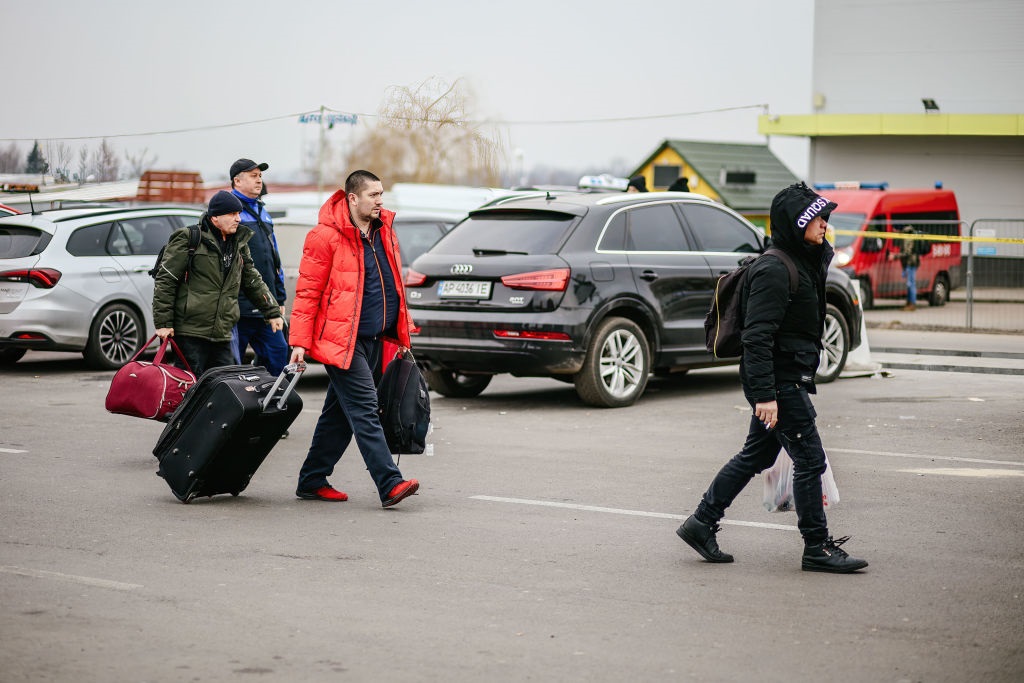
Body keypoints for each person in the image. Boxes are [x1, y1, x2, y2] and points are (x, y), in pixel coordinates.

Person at [676, 182, 868, 574]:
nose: (825, 223)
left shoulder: (802, 259)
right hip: (778, 382)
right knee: (810, 459)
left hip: (786, 376)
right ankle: (816, 547)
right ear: (797, 223)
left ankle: (701, 522)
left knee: (757, 454)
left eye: (826, 216)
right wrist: (766, 395)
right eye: (817, 217)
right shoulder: (774, 270)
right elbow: (757, 337)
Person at [288, 170, 420, 508]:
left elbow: (392, 285)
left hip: (375, 338)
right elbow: (307, 293)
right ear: (352, 198)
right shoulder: (325, 236)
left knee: (338, 415)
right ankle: (389, 483)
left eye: (381, 194)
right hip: (340, 341)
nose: (380, 201)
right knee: (364, 409)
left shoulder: (383, 230)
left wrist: (402, 331)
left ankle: (312, 479)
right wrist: (299, 342)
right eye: (373, 195)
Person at [153, 191, 284, 377]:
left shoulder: (239, 242)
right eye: (232, 214)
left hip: (222, 333)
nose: (238, 219)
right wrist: (163, 323)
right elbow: (166, 280)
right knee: (190, 385)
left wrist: (272, 311)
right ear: (215, 217)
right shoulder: (189, 238)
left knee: (224, 384)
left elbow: (252, 280)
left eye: (238, 214)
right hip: (191, 332)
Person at [229, 158, 289, 375]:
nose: (259, 181)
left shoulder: (263, 212)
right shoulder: (230, 212)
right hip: (239, 307)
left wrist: (279, 297)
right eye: (253, 176)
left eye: (260, 176)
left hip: (266, 304)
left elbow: (274, 257)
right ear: (237, 181)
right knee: (233, 364)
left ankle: (272, 394)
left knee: (279, 353)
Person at [897, 225, 920, 311]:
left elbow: (907, 253)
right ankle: (909, 303)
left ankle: (912, 304)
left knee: (911, 284)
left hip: (910, 263)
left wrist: (895, 256)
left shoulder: (908, 239)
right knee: (909, 284)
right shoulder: (912, 238)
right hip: (911, 263)